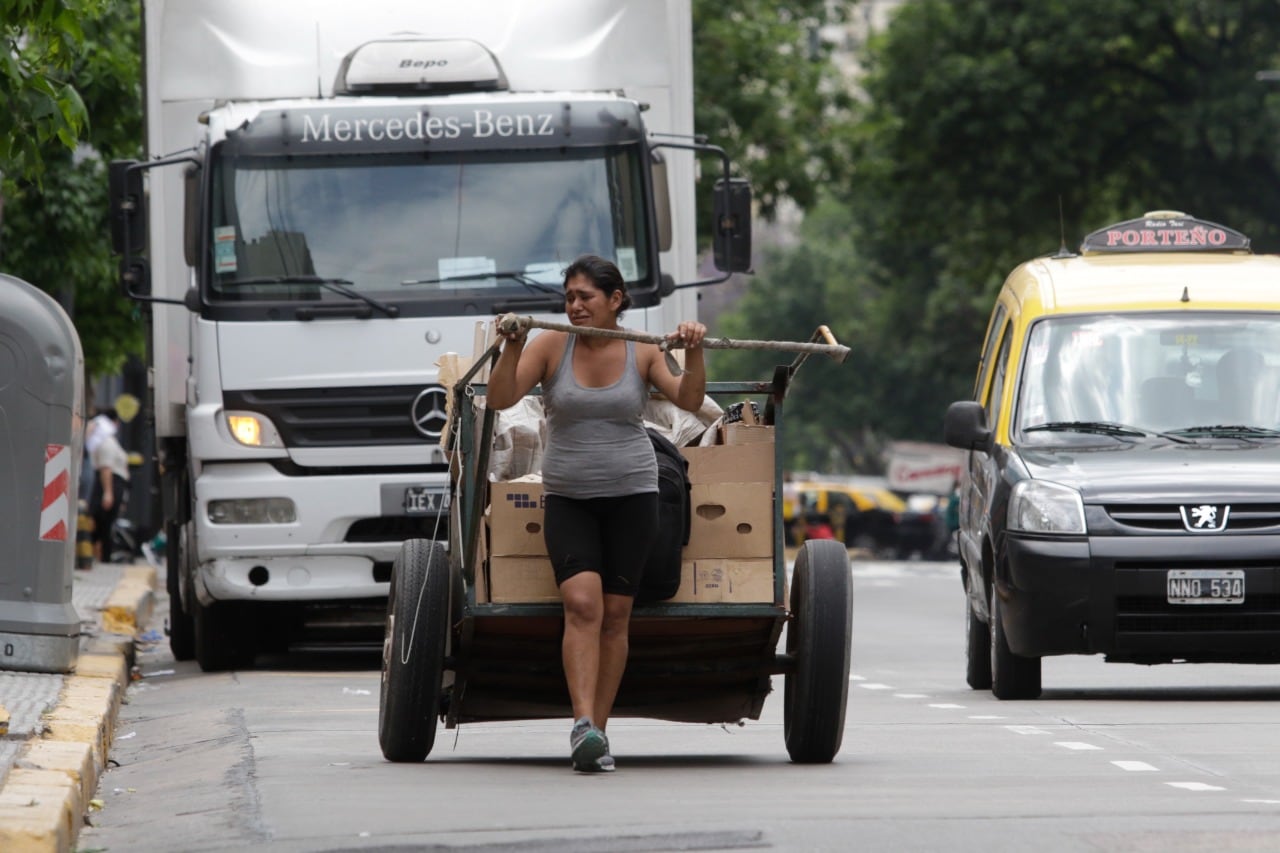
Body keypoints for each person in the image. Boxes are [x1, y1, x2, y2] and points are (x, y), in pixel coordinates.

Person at [486, 254, 706, 773]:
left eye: (586, 297)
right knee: (582, 604)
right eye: (568, 298)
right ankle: (582, 722)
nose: (575, 306)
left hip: (634, 495)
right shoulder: (548, 345)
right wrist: (511, 344)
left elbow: (691, 399)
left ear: (616, 301)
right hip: (569, 497)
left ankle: (598, 734)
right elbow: (499, 397)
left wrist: (694, 351)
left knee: (616, 615)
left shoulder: (644, 351)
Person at [89, 409, 130, 563]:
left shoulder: (105, 440)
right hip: (111, 484)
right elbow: (106, 468)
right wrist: (108, 492)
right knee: (104, 523)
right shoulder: (105, 442)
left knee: (106, 523)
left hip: (115, 483)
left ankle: (103, 556)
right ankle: (103, 557)